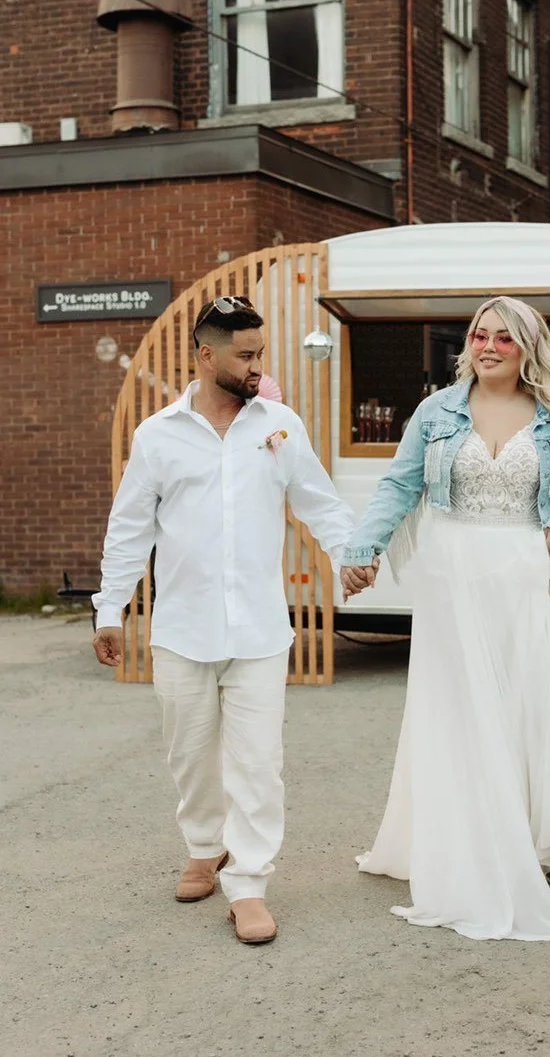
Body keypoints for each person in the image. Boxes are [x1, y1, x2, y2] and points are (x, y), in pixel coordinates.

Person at [340, 296, 550, 941]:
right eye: (480, 334)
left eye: (504, 337)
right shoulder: (435, 413)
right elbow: (399, 485)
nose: (489, 345)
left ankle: (529, 843)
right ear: (467, 344)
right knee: (464, 710)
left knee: (529, 706)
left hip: (528, 573)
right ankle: (472, 845)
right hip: (455, 576)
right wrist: (363, 549)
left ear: (527, 348)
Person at [92, 297, 354, 944]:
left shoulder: (280, 425)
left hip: (261, 631)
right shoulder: (157, 435)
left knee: (258, 762)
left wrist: (351, 558)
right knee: (189, 754)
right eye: (246, 354)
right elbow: (129, 530)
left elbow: (321, 503)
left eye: (261, 353)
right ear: (205, 355)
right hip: (181, 628)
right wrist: (110, 609)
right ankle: (205, 847)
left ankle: (250, 885)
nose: (257, 365)